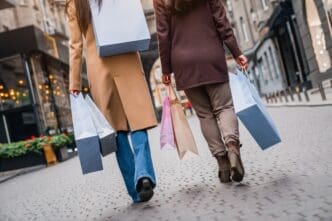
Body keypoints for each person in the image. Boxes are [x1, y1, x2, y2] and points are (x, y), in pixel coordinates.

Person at [66, 0, 157, 202]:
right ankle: (144, 174)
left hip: (99, 68)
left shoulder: (75, 3)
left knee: (117, 131)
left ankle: (135, 192)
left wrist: (74, 82)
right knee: (138, 120)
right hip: (126, 56)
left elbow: (75, 45)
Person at [154, 0, 248, 183]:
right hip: (211, 56)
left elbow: (162, 35)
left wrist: (166, 70)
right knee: (224, 107)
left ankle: (222, 163)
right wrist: (237, 53)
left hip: (183, 64)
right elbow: (222, 22)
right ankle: (232, 148)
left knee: (205, 115)